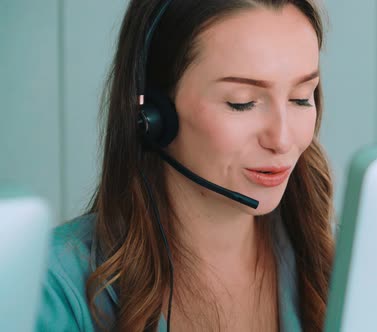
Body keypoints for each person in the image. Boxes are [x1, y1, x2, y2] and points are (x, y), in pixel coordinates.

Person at [35, 0, 335, 331]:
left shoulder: (346, 262)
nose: (281, 139)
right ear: (153, 116)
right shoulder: (49, 287)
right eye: (241, 102)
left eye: (301, 98)